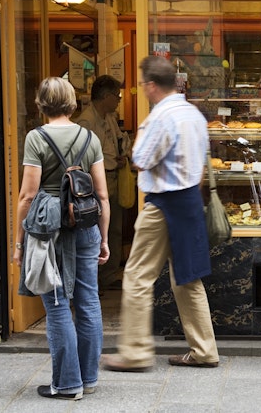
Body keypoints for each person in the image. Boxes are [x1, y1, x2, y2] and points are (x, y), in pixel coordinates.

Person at [100, 55, 219, 371]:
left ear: (151, 85)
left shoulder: (160, 117)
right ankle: (205, 350)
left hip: (164, 203)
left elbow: (139, 157)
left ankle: (135, 353)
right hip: (191, 201)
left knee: (138, 275)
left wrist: (141, 132)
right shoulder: (193, 114)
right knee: (188, 279)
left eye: (142, 85)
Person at [13, 77, 111, 399]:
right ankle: (89, 378)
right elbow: (102, 196)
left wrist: (18, 243)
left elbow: (27, 197)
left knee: (56, 304)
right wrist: (104, 239)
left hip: (48, 231)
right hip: (85, 227)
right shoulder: (90, 137)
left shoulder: (35, 138)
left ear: (41, 104)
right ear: (71, 103)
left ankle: (68, 384)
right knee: (88, 301)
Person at [74, 75, 131, 290]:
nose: (118, 100)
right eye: (116, 96)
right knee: (95, 228)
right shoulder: (86, 122)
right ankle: (93, 278)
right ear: (106, 96)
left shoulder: (109, 117)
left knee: (113, 228)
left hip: (112, 177)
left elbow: (118, 139)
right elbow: (81, 156)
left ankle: (108, 275)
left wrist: (121, 155)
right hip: (96, 180)